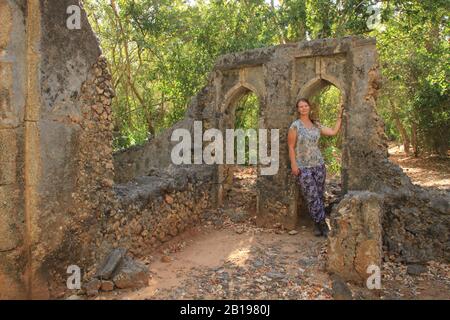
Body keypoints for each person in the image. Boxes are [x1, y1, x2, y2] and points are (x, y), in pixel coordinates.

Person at [287, 98, 344, 237]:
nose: (304, 108)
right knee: (311, 196)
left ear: (309, 107)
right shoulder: (295, 126)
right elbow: (290, 146)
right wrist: (294, 164)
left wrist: (340, 116)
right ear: (298, 109)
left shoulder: (316, 125)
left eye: (306, 106)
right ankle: (323, 225)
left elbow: (332, 131)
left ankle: (317, 225)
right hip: (303, 166)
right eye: (301, 106)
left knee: (318, 195)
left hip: (318, 165)